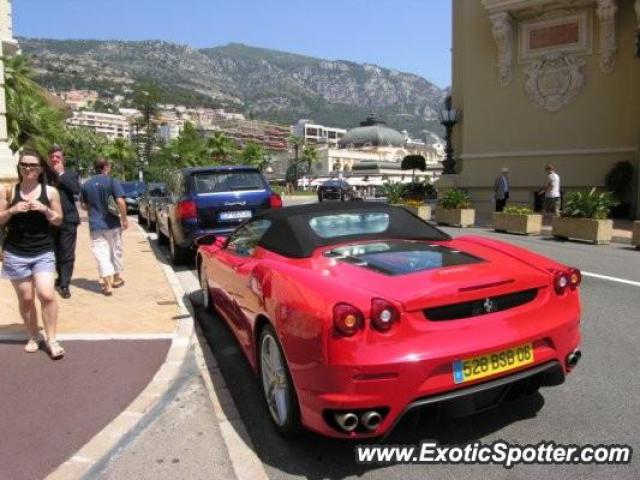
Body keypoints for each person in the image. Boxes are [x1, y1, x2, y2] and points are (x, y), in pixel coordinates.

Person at [0, 151, 65, 359]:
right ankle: (33, 335)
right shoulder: (9, 191)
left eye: (33, 165)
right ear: (19, 167)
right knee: (26, 298)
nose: (28, 169)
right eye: (24, 165)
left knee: (46, 294)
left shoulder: (51, 192)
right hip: (16, 253)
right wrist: (12, 211)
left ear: (40, 169)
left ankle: (52, 339)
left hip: (43, 251)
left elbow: (58, 220)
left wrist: (45, 210)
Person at [80, 158, 128, 296]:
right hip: (112, 223)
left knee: (101, 254)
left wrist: (93, 208)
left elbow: (84, 205)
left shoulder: (86, 184)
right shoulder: (112, 181)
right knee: (115, 251)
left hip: (96, 225)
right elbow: (120, 201)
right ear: (106, 167)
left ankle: (107, 286)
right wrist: (124, 219)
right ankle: (117, 279)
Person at [48, 145, 80, 299]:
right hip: (50, 220)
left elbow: (76, 189)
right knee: (55, 252)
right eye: (52, 157)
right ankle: (60, 277)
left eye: (58, 157)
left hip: (68, 220)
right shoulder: (45, 175)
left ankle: (65, 284)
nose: (55, 159)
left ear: (63, 159)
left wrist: (60, 173)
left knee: (67, 253)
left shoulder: (70, 175)